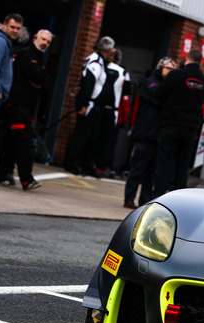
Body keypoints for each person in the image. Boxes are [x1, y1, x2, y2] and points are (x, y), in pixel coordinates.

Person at [0, 29, 52, 190]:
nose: (45, 43)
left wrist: (40, 82)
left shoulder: (40, 59)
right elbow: (39, 77)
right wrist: (39, 81)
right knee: (23, 141)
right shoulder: (26, 55)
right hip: (16, 106)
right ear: (35, 38)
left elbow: (46, 82)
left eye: (48, 42)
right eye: (43, 39)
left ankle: (1, 174)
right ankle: (27, 179)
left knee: (11, 142)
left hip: (26, 107)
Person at [152, 48, 204, 198]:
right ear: (200, 62)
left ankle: (158, 197)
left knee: (164, 162)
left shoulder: (176, 75)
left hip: (171, 124)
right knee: (182, 165)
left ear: (186, 59)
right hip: (190, 128)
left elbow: (159, 94)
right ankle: (178, 199)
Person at [123, 57, 176, 209]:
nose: (170, 72)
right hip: (145, 133)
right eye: (168, 68)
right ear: (160, 68)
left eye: (173, 70)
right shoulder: (150, 82)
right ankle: (129, 198)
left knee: (151, 173)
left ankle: (144, 201)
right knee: (138, 168)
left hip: (158, 135)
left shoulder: (166, 87)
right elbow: (157, 99)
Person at [64, 36, 117, 176]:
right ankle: (73, 163)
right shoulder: (95, 62)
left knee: (91, 137)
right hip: (90, 104)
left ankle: (85, 164)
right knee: (82, 135)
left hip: (94, 105)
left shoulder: (100, 61)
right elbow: (89, 83)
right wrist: (83, 104)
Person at [96, 47, 130, 177]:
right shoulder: (123, 72)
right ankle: (104, 166)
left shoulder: (101, 67)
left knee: (95, 137)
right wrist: (123, 118)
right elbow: (125, 97)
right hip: (112, 112)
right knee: (108, 141)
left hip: (98, 107)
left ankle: (92, 164)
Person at [0, 13, 23, 114]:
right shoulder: (1, 41)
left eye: (18, 28)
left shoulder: (5, 42)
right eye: (12, 27)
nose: (15, 31)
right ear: (5, 24)